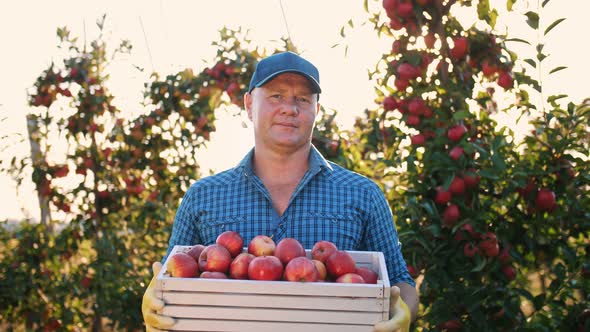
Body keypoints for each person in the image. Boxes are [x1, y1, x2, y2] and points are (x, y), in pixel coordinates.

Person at [142, 51, 419, 331]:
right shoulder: (203, 196)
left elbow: (398, 283)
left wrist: (402, 312)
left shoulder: (363, 194)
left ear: (316, 111)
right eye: (276, 96)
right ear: (249, 105)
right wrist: (154, 300)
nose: (290, 108)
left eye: (302, 99)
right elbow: (169, 280)